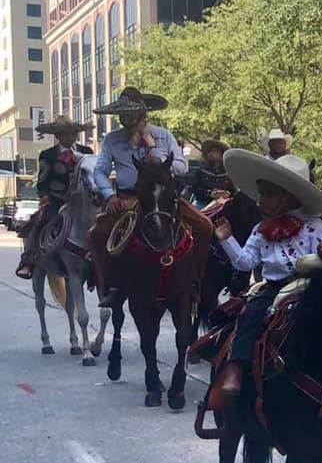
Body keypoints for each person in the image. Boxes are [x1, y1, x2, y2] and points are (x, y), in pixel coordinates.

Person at [209, 149, 322, 402]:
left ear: (288, 196)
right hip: (275, 288)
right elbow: (245, 263)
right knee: (251, 313)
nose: (261, 201)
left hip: (310, 286)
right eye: (262, 194)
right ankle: (236, 364)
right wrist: (227, 239)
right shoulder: (260, 230)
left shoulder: (314, 227)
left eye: (268, 194)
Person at [88, 87, 208, 310]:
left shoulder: (163, 135)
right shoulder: (112, 140)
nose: (126, 119)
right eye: (123, 115)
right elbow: (100, 171)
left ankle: (196, 279)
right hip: (127, 198)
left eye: (131, 114)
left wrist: (159, 158)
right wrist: (110, 196)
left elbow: (181, 166)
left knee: (204, 226)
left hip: (164, 197)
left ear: (143, 114)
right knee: (97, 233)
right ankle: (111, 285)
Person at [15, 115, 94, 279]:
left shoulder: (87, 152)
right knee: (41, 221)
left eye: (72, 134)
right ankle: (29, 259)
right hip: (58, 201)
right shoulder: (48, 155)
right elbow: (42, 181)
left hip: (84, 201)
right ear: (57, 136)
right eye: (65, 134)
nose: (69, 137)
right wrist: (44, 196)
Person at [188, 139, 234, 209]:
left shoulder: (228, 172)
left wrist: (226, 194)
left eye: (215, 151)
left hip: (223, 204)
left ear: (222, 154)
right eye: (210, 151)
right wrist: (209, 193)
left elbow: (233, 191)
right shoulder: (202, 170)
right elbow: (195, 188)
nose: (211, 153)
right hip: (203, 202)